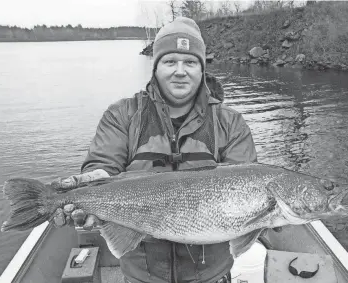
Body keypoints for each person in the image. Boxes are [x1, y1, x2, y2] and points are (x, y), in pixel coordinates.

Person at [53, 16, 257, 283]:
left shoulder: (230, 123)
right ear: (156, 67)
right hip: (141, 274)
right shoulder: (122, 115)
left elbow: (245, 183)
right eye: (170, 61)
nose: (180, 71)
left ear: (202, 68)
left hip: (211, 275)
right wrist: (92, 181)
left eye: (190, 62)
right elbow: (104, 166)